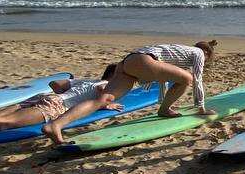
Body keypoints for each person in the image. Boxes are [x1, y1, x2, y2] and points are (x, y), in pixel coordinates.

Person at [42, 40, 218, 144]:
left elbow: (161, 78)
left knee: (103, 100)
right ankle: (164, 110)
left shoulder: (179, 51)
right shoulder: (198, 53)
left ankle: (56, 125)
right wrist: (200, 107)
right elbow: (197, 79)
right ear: (207, 54)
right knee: (188, 78)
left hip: (128, 62)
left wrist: (160, 97)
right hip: (143, 61)